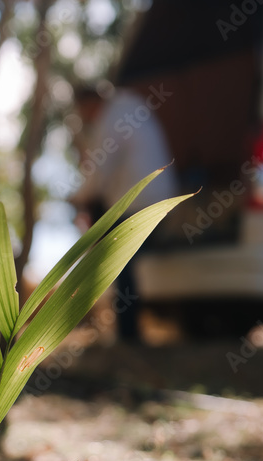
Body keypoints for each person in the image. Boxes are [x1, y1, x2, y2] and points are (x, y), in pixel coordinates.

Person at [69, 83, 178, 342]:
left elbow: (98, 173)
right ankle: (127, 331)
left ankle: (128, 335)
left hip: (139, 203)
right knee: (128, 262)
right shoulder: (128, 107)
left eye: (83, 112)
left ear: (89, 104)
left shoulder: (110, 119)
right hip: (158, 196)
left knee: (120, 260)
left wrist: (78, 198)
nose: (85, 117)